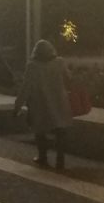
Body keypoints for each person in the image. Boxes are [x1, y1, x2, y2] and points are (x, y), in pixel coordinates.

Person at [14, 38, 72, 170]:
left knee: (40, 131)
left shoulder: (32, 66)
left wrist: (17, 106)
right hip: (60, 101)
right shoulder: (60, 62)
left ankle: (42, 156)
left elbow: (25, 88)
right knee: (60, 131)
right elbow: (69, 78)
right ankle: (60, 159)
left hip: (40, 103)